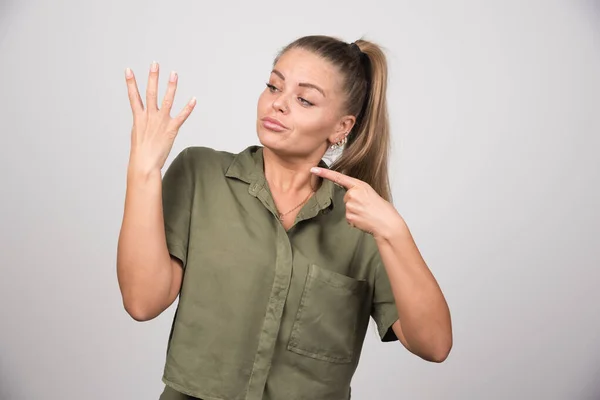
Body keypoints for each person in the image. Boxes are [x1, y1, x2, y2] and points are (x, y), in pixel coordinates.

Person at [117, 35, 452, 400]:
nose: (278, 104)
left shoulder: (363, 222)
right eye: (273, 86)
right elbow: (142, 302)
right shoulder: (201, 173)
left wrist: (395, 233)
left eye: (304, 99)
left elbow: (433, 346)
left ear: (342, 127)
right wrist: (143, 170)